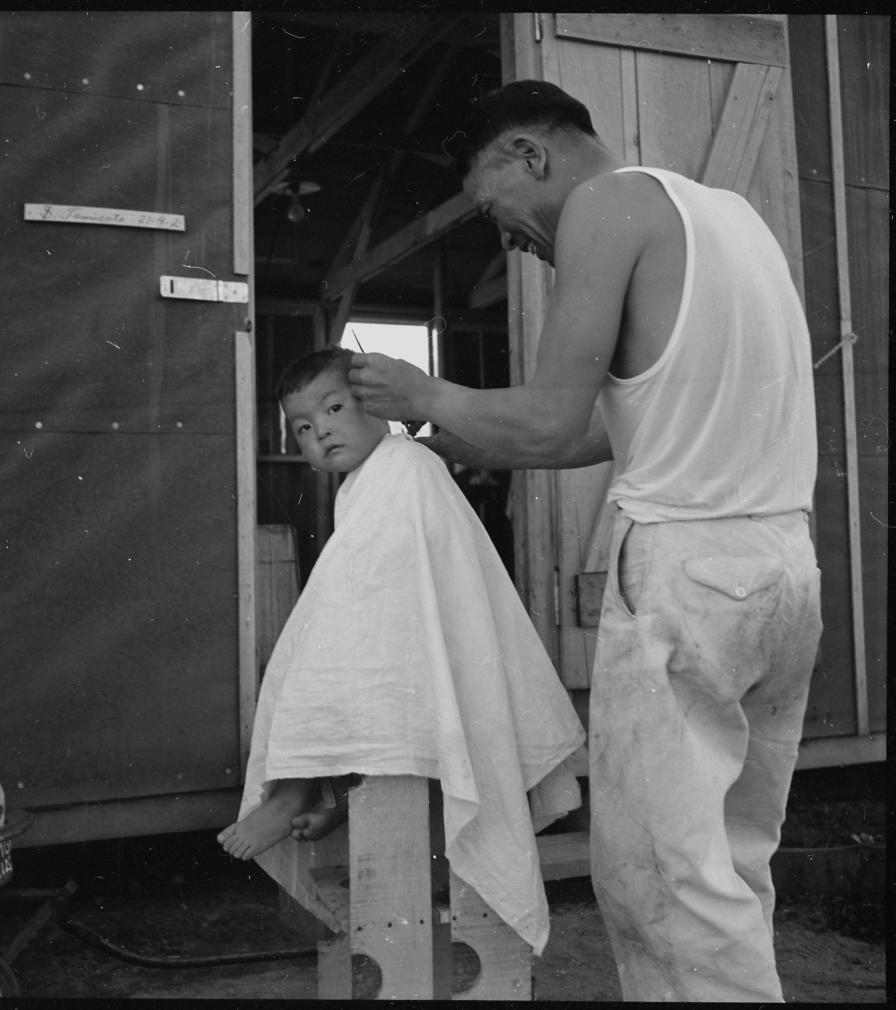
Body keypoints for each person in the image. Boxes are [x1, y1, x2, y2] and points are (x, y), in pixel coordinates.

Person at [348, 80, 822, 1002]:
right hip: (782, 572)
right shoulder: (729, 218)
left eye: (495, 205)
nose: (509, 237)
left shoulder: (607, 204)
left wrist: (421, 394)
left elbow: (551, 415)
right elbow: (596, 432)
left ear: (531, 153)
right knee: (730, 861)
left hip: (689, 574)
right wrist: (464, 436)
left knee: (660, 884)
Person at [219, 345, 585, 956]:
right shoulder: (368, 481)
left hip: (418, 657)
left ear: (377, 408)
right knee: (355, 662)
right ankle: (333, 792)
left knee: (329, 654)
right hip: (413, 668)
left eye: (334, 409)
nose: (322, 431)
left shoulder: (403, 468)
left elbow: (371, 608)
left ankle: (295, 789)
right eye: (303, 429)